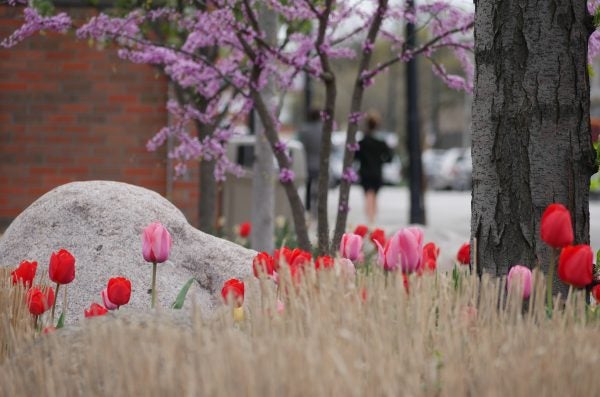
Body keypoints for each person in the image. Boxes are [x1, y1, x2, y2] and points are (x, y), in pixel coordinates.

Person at [355, 112, 393, 224]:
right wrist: (380, 160)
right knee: (374, 196)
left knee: (368, 195)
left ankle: (370, 219)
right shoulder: (381, 142)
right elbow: (389, 157)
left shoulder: (362, 142)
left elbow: (355, 157)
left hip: (365, 172)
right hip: (376, 172)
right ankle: (372, 219)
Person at [297, 109, 323, 216]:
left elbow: (300, 146)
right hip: (321, 163)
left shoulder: (304, 130)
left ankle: (308, 208)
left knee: (308, 187)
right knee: (319, 186)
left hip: (307, 162)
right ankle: (316, 208)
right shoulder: (323, 130)